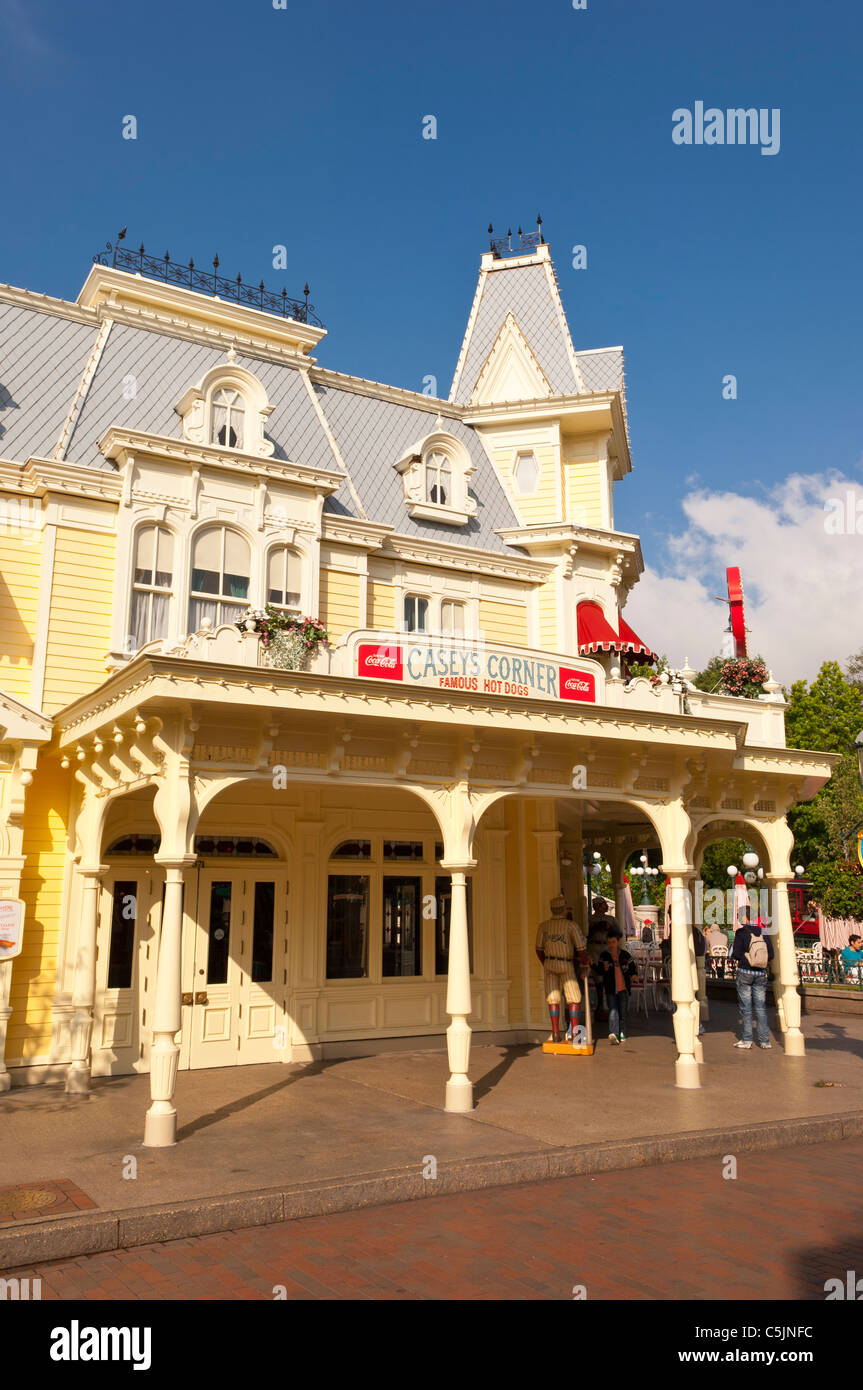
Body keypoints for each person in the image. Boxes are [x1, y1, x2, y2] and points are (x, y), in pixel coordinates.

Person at [535, 895, 587, 1043]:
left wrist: (546, 963)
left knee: (553, 999)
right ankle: (575, 1034)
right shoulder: (571, 926)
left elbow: (538, 949)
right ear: (563, 909)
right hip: (566, 963)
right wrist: (585, 963)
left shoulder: (543, 926)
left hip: (549, 963)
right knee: (574, 998)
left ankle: (556, 1033)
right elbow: (581, 948)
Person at [731, 912, 774, 1048]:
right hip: (761, 973)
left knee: (746, 1008)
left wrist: (746, 958)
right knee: (761, 1008)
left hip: (745, 972)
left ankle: (747, 1040)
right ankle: (764, 1041)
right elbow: (771, 954)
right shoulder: (764, 932)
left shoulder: (741, 933)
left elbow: (736, 954)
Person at [598, 927, 637, 1044]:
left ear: (618, 942)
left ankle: (622, 1031)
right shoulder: (604, 956)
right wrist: (598, 968)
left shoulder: (625, 955)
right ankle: (614, 1034)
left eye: (613, 942)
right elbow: (599, 970)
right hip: (610, 988)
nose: (611, 944)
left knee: (623, 1012)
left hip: (623, 989)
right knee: (613, 1011)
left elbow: (632, 968)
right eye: (609, 942)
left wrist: (634, 975)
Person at [587, 896, 619, 1018]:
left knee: (608, 975)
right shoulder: (590, 919)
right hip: (594, 947)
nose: (605, 906)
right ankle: (600, 1004)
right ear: (596, 906)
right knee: (597, 976)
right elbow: (584, 934)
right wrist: (595, 928)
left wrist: (609, 929)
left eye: (604, 904)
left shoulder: (611, 919)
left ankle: (609, 1004)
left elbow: (619, 933)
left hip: (607, 948)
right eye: (602, 904)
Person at [693, 922, 708, 1031]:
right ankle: (698, 1024)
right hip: (697, 965)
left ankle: (697, 1025)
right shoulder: (697, 932)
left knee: (691, 996)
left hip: (690, 966)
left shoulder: (690, 933)